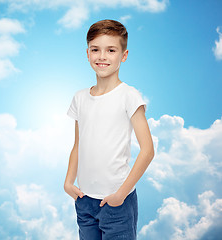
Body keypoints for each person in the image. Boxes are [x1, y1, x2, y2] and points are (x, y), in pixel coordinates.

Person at [64, 19, 155, 240]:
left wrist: (121, 194)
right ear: (88, 53)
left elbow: (147, 150)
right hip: (85, 201)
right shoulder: (79, 98)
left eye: (111, 50)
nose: (102, 56)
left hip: (117, 202)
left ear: (123, 55)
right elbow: (79, 145)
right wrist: (68, 182)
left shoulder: (128, 96)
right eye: (96, 49)